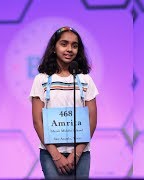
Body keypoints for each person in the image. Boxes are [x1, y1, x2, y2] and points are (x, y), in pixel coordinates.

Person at [30, 26, 98, 179]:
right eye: (64, 44)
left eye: (74, 46)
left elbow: (91, 120)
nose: (69, 49)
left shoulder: (85, 80)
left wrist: (77, 153)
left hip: (81, 153)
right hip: (50, 152)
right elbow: (37, 121)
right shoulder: (41, 79)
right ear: (54, 48)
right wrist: (56, 155)